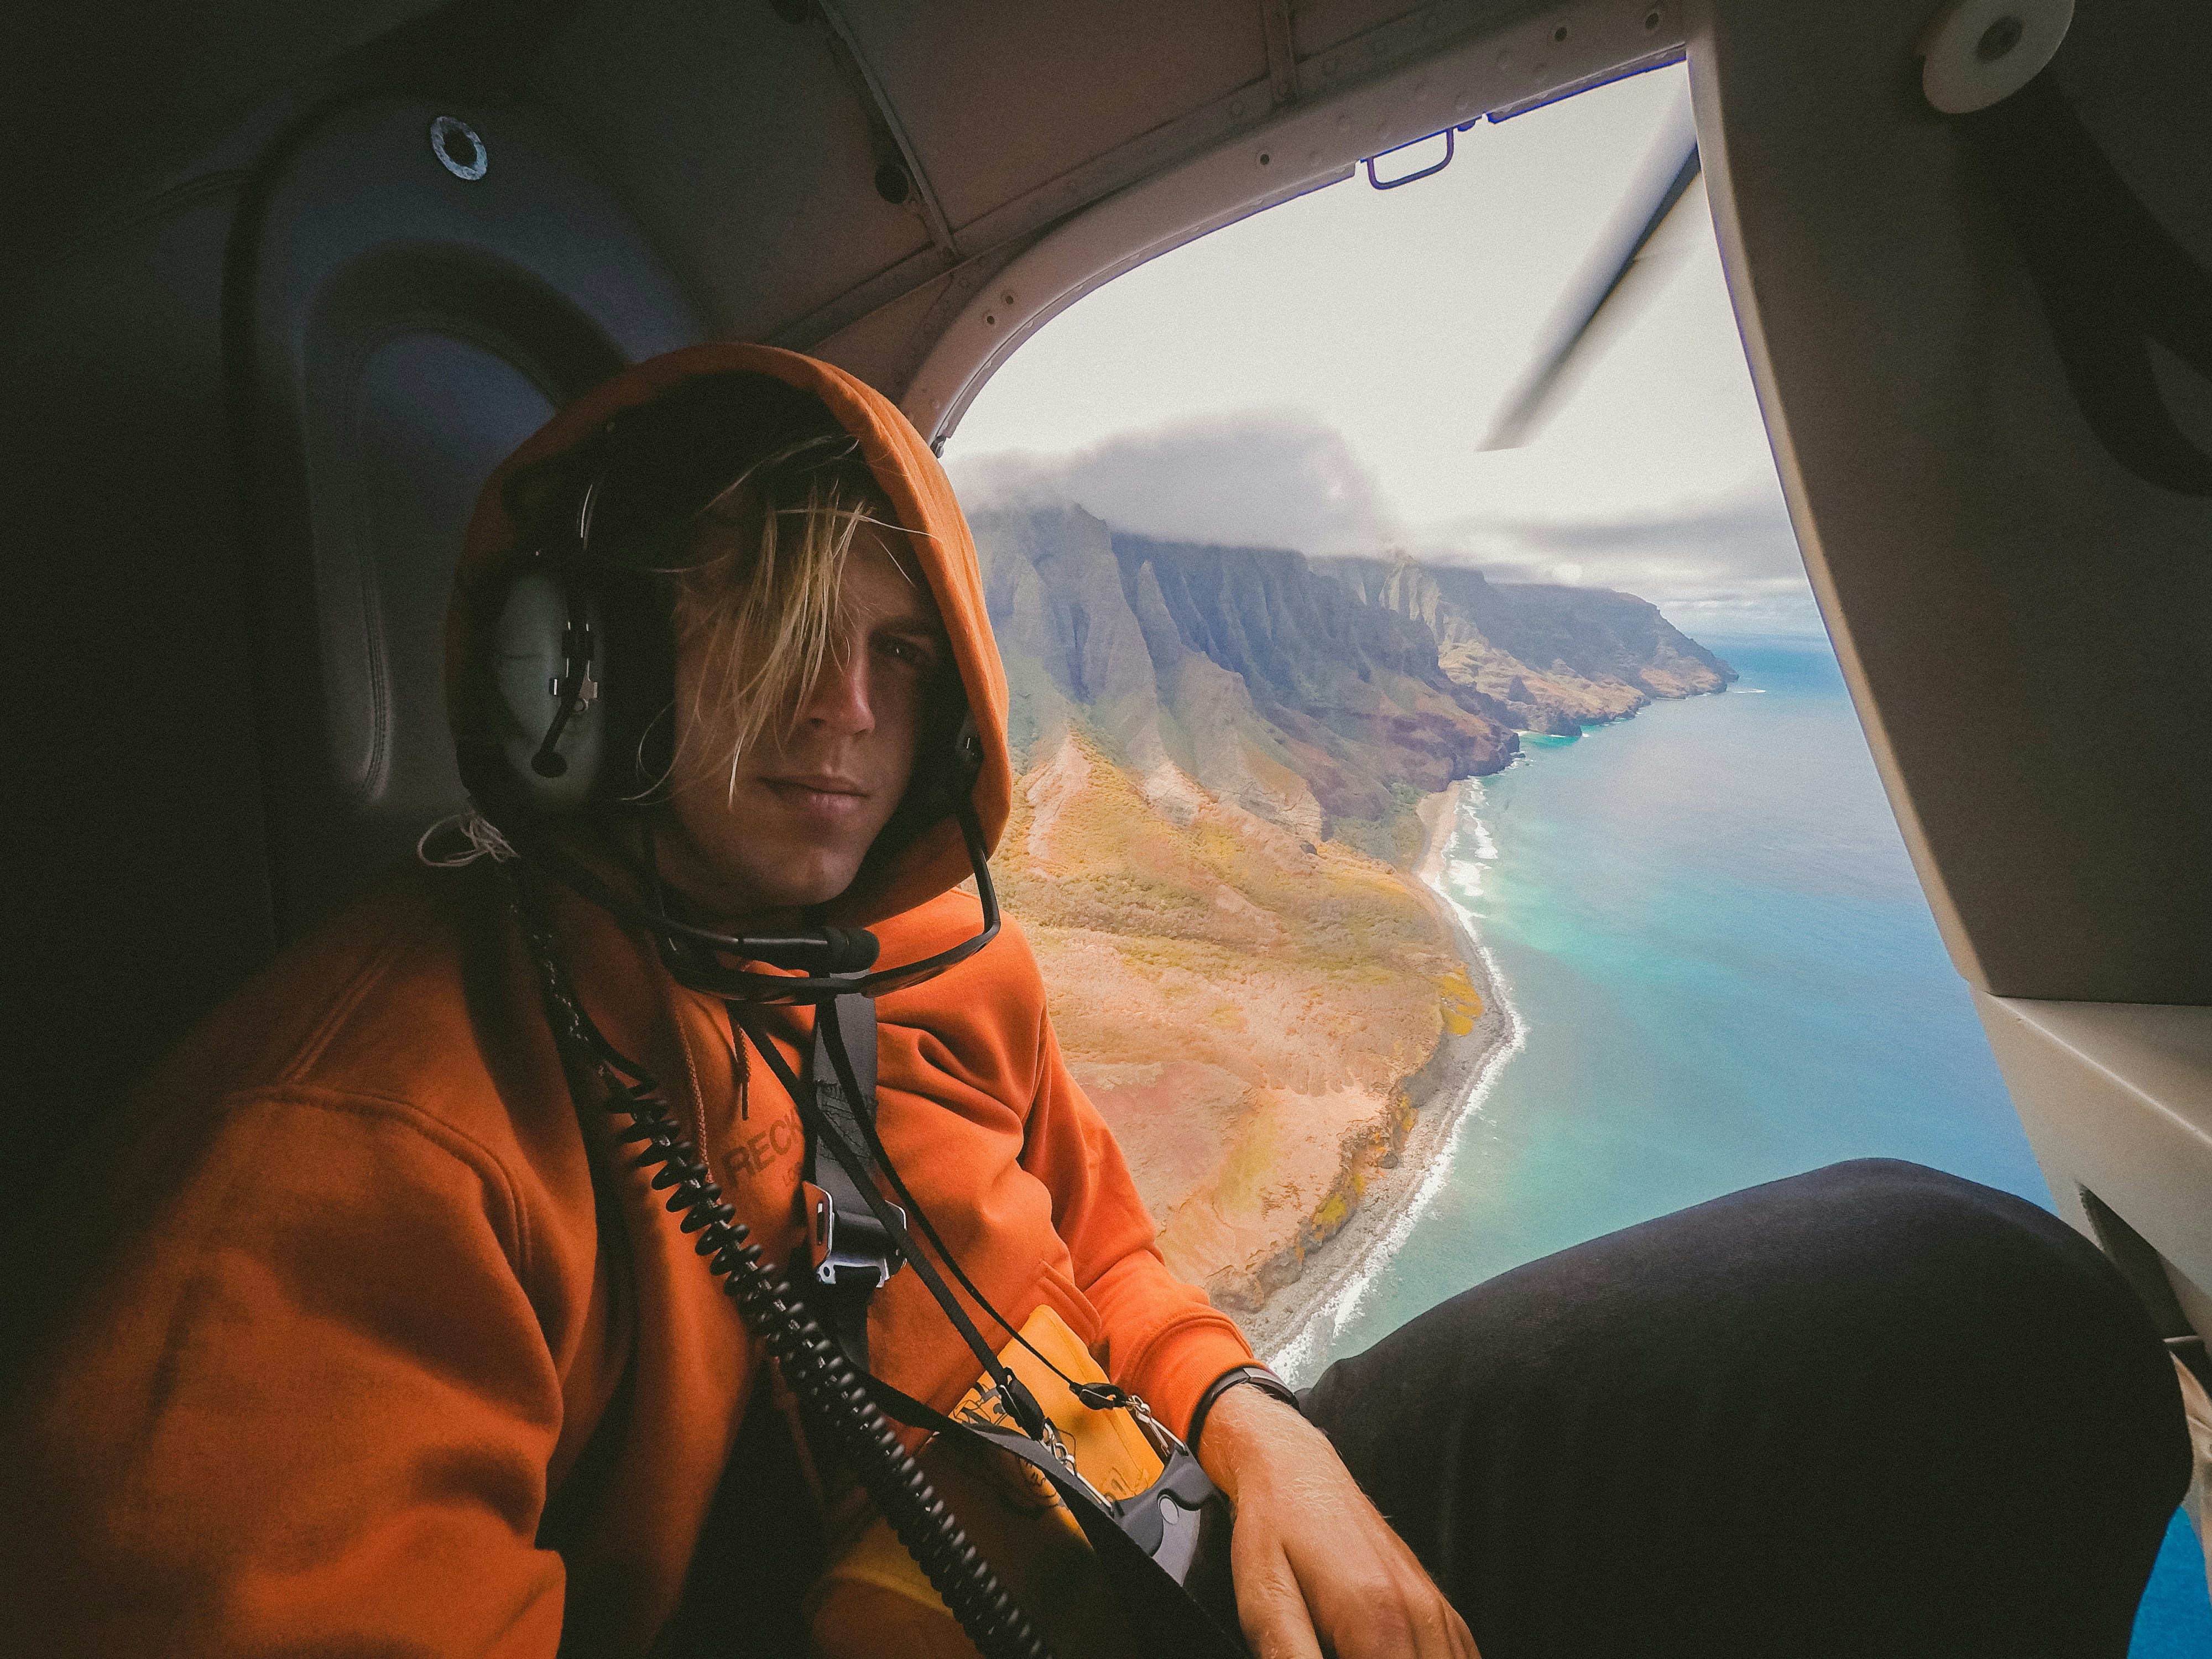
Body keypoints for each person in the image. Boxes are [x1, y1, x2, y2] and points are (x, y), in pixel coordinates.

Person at [0, 343, 2188, 1659]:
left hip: (1118, 1562)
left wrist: (1253, 1431)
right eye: (766, 637)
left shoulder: (932, 968)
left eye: (895, 651)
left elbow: (1105, 1249)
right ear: (572, 679)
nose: (843, 720)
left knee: (1963, 1313)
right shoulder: (352, 1154)